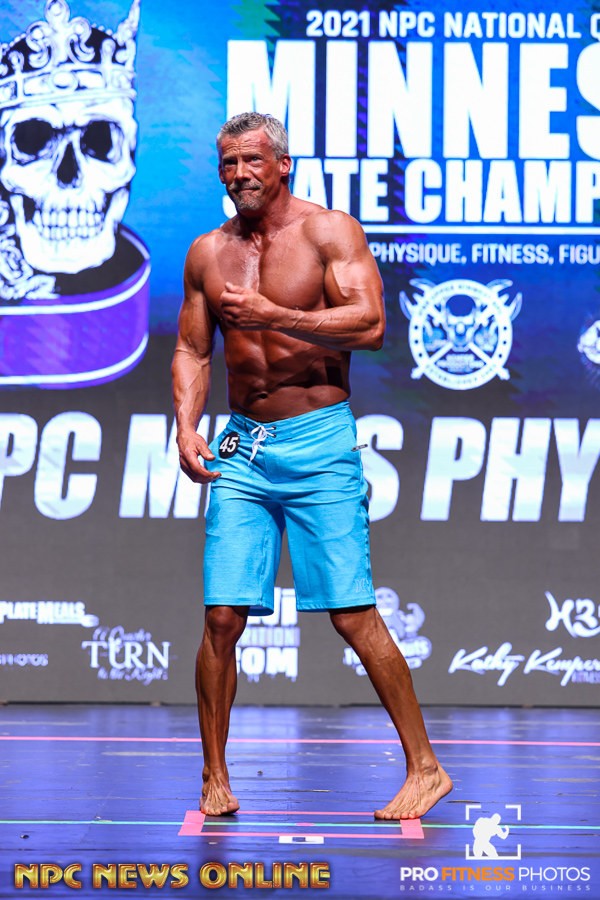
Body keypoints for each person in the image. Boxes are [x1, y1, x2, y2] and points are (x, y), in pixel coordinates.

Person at [171, 111, 452, 820]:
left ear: (283, 163)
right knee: (221, 616)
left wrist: (275, 315)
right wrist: (186, 425)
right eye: (228, 163)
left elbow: (371, 324)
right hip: (243, 446)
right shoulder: (208, 252)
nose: (240, 174)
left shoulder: (329, 232)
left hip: (320, 442)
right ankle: (214, 777)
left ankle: (425, 767)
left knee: (352, 614)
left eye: (252, 160)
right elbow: (192, 350)